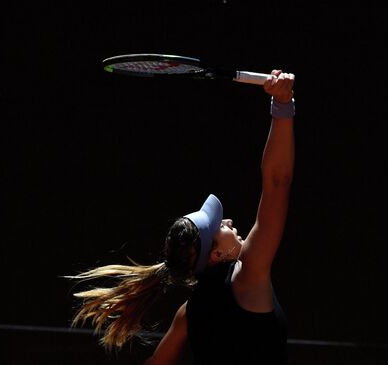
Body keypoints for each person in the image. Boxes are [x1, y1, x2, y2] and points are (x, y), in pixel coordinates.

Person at [66, 69, 295, 365]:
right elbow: (277, 182)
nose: (227, 222)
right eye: (219, 227)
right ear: (216, 254)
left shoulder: (191, 312)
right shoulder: (249, 274)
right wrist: (283, 105)